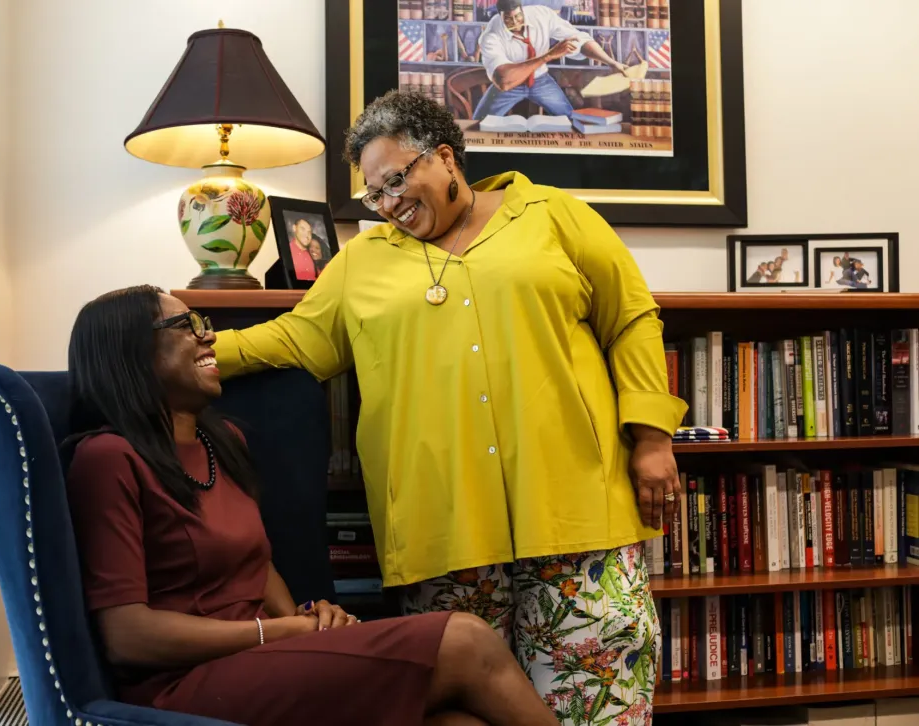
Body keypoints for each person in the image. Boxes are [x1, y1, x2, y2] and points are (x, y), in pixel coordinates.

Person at [213, 91, 686, 723]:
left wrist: (652, 439)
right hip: (444, 527)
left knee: (601, 705)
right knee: (467, 714)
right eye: (373, 195)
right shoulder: (360, 262)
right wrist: (194, 350)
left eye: (396, 179)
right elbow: (295, 339)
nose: (388, 204)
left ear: (444, 157)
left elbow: (631, 319)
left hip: (577, 515)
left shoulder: (552, 215)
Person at [63, 285, 559, 726]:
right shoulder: (108, 459)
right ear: (129, 352)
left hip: (262, 655)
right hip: (184, 684)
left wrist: (308, 616)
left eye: (203, 324)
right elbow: (126, 634)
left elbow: (253, 564)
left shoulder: (223, 440)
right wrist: (279, 631)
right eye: (186, 325)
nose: (208, 337)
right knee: (465, 640)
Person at [474, 0, 628, 121]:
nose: (515, 22)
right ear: (500, 16)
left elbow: (578, 40)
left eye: (517, 16)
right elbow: (503, 80)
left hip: (541, 80)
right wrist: (548, 56)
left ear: (522, 10)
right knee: (477, 124)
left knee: (570, 120)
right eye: (508, 19)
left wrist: (611, 62)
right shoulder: (491, 35)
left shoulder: (541, 15)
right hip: (510, 84)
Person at [288, 217, 328, 282]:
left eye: (309, 232)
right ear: (294, 228)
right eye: (302, 229)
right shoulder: (288, 252)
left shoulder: (312, 254)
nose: (307, 235)